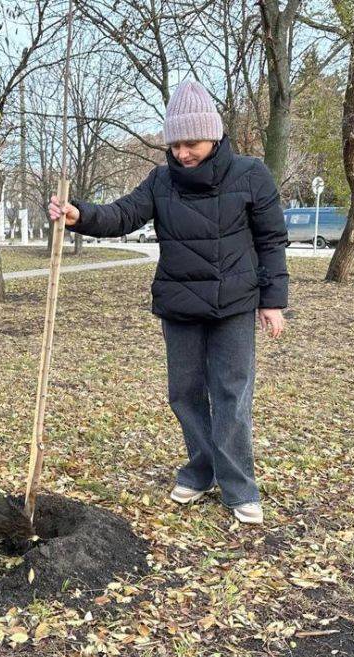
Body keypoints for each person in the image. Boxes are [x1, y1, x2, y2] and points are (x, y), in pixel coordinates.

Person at [48, 80, 289, 525]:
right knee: (184, 393)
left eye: (191, 143)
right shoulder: (161, 181)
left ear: (213, 136)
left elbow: (271, 240)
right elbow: (122, 214)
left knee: (232, 395)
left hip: (234, 305)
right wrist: (80, 214)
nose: (182, 153)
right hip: (180, 306)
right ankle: (199, 472)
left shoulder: (251, 174)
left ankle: (239, 486)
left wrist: (272, 301)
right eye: (175, 144)